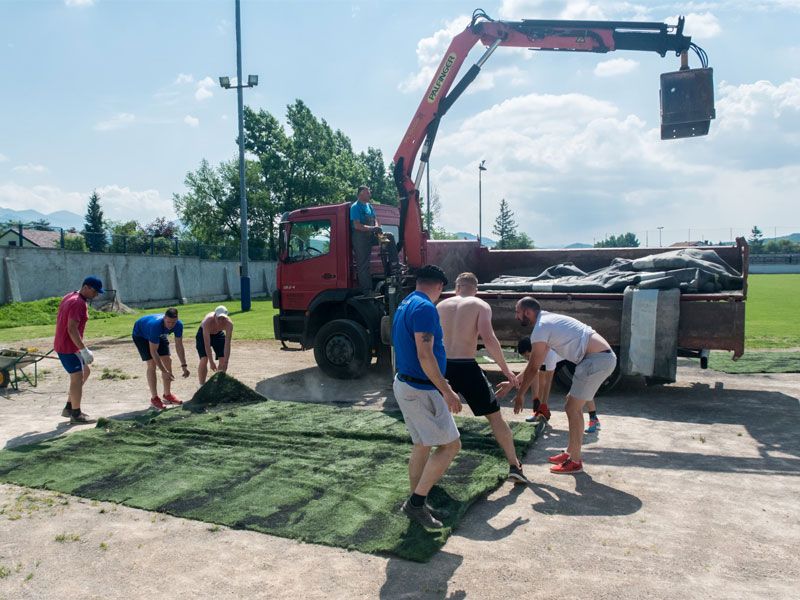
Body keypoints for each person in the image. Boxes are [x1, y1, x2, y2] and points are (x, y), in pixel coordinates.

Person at [498, 297, 616, 474]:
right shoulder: (547, 323)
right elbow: (534, 364)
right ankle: (571, 453)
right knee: (572, 404)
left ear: (527, 312)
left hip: (596, 360)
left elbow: (533, 367)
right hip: (597, 359)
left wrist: (521, 394)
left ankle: (575, 461)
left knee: (572, 408)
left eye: (517, 312)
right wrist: (514, 382)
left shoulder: (541, 327)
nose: (516, 316)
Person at [437, 273, 528, 483]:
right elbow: (488, 338)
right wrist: (506, 370)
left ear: (457, 287)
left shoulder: (440, 305)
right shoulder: (480, 304)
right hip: (466, 366)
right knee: (495, 417)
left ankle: (432, 466)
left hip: (442, 367)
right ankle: (514, 465)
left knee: (438, 415)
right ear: (476, 289)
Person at [392, 264, 462, 529]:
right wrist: (447, 391)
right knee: (451, 446)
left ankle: (416, 500)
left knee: (422, 445)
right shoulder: (424, 308)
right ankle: (416, 503)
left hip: (412, 385)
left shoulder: (406, 302)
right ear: (439, 287)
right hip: (421, 389)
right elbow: (425, 354)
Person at [516, 338, 601, 431]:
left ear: (532, 350)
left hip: (575, 359)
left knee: (583, 388)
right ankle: (539, 414)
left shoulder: (549, 355)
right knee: (541, 379)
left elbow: (548, 382)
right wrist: (536, 400)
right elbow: (534, 376)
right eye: (525, 357)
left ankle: (594, 419)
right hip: (560, 357)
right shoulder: (538, 353)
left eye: (528, 356)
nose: (528, 359)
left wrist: (544, 404)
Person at [54, 276, 103, 424]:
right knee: (77, 377)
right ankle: (76, 414)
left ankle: (69, 407)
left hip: (66, 344)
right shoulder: (78, 303)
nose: (96, 295)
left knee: (85, 372)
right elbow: (71, 328)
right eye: (95, 291)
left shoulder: (70, 295)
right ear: (86, 287)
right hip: (68, 347)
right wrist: (83, 350)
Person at [131, 308, 190, 410]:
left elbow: (179, 345)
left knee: (168, 360)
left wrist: (184, 365)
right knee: (151, 363)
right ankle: (154, 398)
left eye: (173, 322)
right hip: (140, 334)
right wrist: (164, 371)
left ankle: (167, 395)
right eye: (168, 322)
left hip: (159, 334)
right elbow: (153, 351)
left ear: (177, 319)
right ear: (164, 318)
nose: (171, 325)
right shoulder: (155, 326)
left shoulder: (179, 325)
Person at [350, 185, 382, 295]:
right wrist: (373, 228)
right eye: (368, 192)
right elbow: (357, 226)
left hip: (369, 236)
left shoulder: (369, 206)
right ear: (361, 193)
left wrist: (377, 227)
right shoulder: (355, 207)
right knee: (363, 265)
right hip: (360, 238)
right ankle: (367, 291)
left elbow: (376, 219)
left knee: (389, 238)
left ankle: (394, 267)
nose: (370, 194)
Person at [196, 305, 234, 384]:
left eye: (223, 318)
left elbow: (227, 344)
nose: (221, 321)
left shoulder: (229, 324)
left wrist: (226, 362)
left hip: (218, 334)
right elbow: (207, 344)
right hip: (203, 333)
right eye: (219, 318)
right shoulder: (207, 322)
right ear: (214, 316)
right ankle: (201, 385)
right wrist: (211, 362)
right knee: (204, 359)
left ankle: (218, 384)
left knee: (223, 360)